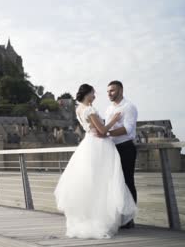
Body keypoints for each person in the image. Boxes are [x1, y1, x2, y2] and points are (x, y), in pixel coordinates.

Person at [54, 84, 137, 239]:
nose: (95, 96)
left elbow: (95, 129)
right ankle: (107, 218)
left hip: (88, 144)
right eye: (93, 93)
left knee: (93, 182)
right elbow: (103, 131)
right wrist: (113, 120)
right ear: (87, 94)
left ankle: (94, 216)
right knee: (105, 181)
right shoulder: (89, 109)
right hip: (99, 145)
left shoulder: (78, 109)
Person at [105, 80, 138, 229]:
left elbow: (128, 129)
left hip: (125, 147)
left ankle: (129, 219)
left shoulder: (129, 107)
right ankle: (118, 217)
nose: (109, 93)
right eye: (108, 91)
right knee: (115, 183)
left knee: (127, 181)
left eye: (112, 90)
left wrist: (106, 132)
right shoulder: (108, 109)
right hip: (111, 148)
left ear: (120, 90)